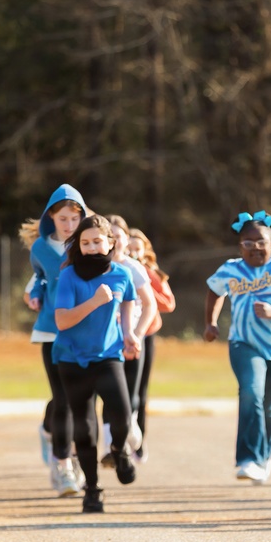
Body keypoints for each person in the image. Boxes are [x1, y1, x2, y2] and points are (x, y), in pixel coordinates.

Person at [204, 210, 271, 484]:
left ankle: (264, 458)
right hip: (244, 343)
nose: (255, 248)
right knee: (251, 394)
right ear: (240, 247)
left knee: (269, 406)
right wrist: (211, 322)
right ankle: (248, 459)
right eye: (248, 243)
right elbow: (215, 290)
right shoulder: (231, 269)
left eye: (261, 242)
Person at [52, 214, 141, 513]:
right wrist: (94, 302)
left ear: (110, 242)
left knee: (123, 414)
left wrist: (129, 333)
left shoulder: (121, 274)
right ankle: (92, 490)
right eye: (85, 242)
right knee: (85, 429)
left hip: (108, 356)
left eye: (97, 241)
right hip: (72, 359)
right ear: (78, 244)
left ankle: (118, 450)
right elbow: (62, 321)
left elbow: (128, 301)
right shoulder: (68, 276)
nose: (91, 247)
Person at [18, 184, 87, 497]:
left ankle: (59, 440)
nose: (69, 225)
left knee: (80, 400)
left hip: (86, 332)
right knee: (62, 398)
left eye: (75, 218)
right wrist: (33, 296)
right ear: (51, 217)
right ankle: (63, 466)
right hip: (51, 331)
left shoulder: (89, 244)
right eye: (63, 219)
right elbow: (39, 280)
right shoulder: (41, 249)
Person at [99, 215, 157, 466]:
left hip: (131, 341)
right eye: (109, 237)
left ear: (126, 238)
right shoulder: (95, 267)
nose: (114, 242)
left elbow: (150, 305)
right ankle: (110, 448)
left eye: (118, 236)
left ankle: (128, 437)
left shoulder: (134, 268)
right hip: (104, 344)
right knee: (108, 396)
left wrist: (138, 334)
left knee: (131, 396)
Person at [127, 227, 177, 463]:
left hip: (146, 334)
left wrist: (145, 286)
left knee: (141, 391)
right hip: (122, 335)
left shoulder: (151, 273)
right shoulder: (118, 269)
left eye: (138, 249)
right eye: (130, 248)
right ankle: (118, 438)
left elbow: (169, 303)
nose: (133, 252)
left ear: (146, 251)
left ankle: (139, 440)